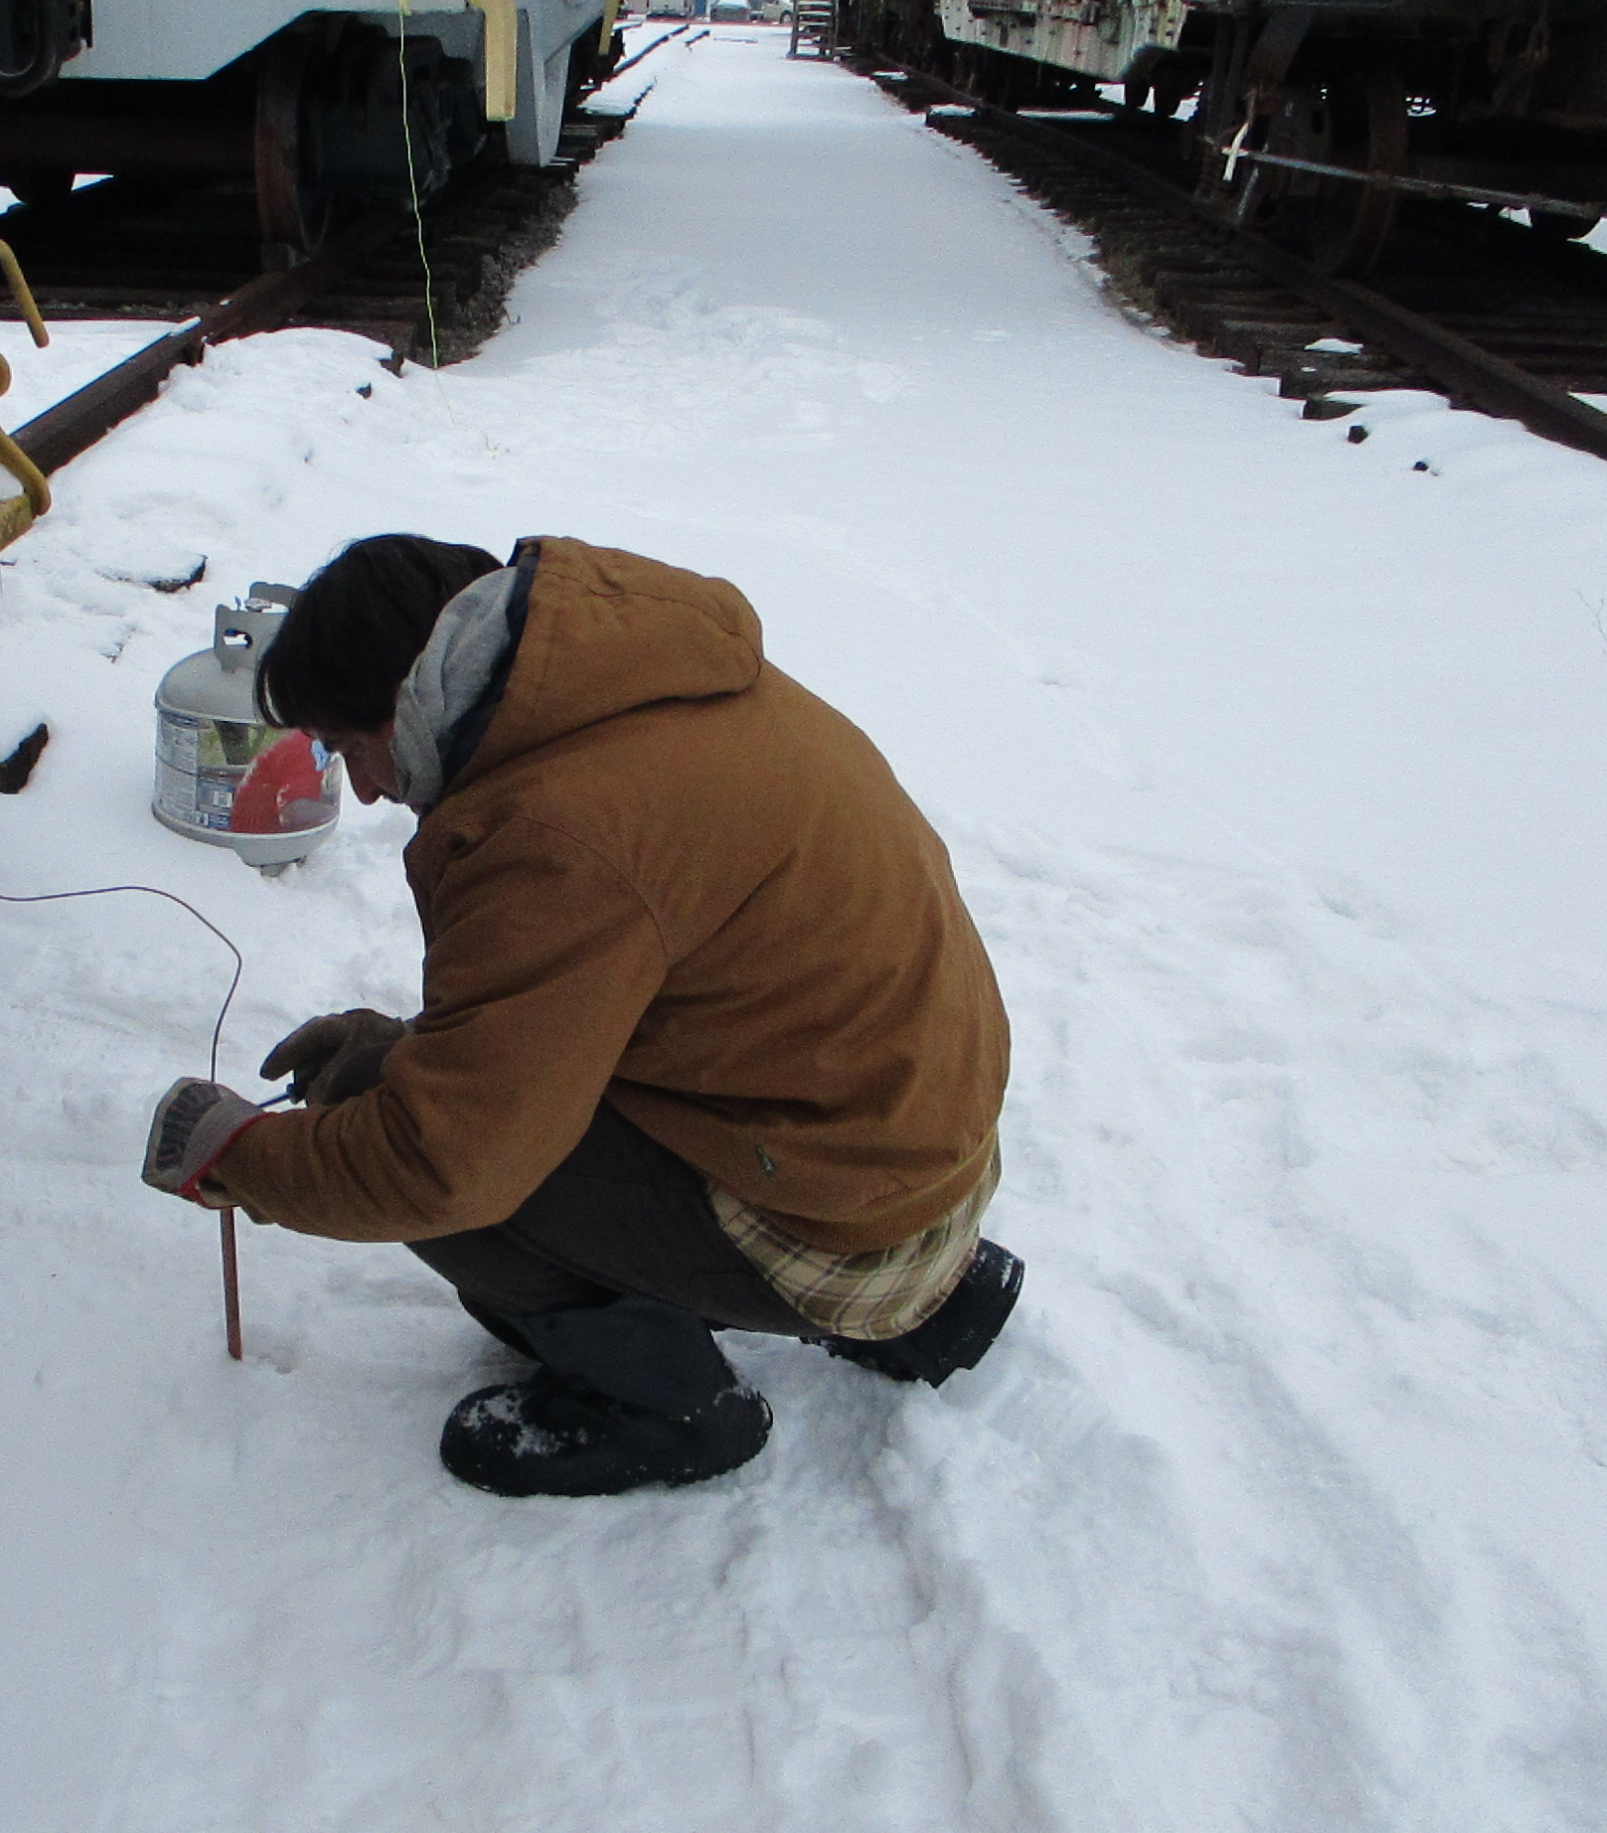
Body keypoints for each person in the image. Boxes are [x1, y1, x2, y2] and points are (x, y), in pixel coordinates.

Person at [143, 534, 1018, 1498]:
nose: (364, 789)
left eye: (351, 747)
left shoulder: (557, 833)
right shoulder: (634, 679)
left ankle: (668, 1409)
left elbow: (445, 1163)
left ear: (406, 701)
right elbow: (617, 996)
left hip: (854, 1224)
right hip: (922, 1154)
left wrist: (240, 1163)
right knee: (408, 1098)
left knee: (444, 1184)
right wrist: (397, 1050)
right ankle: (943, 1308)